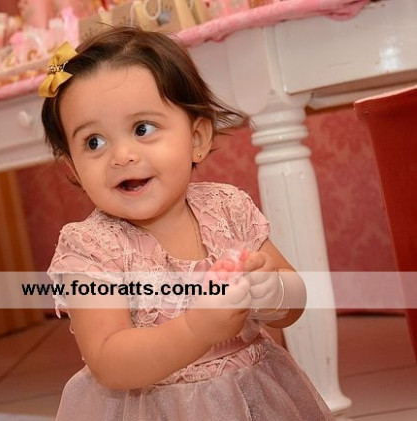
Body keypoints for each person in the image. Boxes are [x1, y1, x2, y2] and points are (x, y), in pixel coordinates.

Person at [39, 26, 333, 421]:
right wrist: (196, 329)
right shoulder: (90, 248)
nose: (122, 155)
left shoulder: (227, 209)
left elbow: (293, 302)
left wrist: (274, 291)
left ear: (197, 138)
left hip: (252, 397)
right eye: (94, 142)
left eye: (142, 129)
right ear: (73, 168)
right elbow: (108, 360)